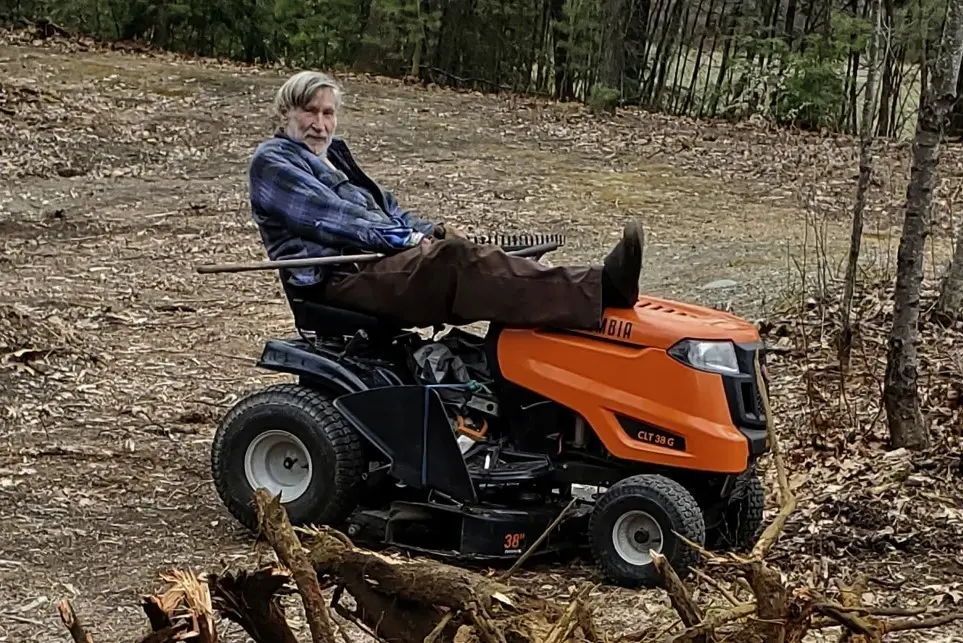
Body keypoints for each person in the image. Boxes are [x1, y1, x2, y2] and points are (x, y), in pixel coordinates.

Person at [247, 70, 644, 331]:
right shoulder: (273, 161)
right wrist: (412, 241)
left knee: (473, 253)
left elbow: (388, 209)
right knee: (452, 259)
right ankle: (602, 289)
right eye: (310, 112)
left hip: (374, 264)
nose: (320, 123)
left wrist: (431, 229)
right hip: (337, 279)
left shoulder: (333, 156)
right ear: (286, 113)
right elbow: (336, 220)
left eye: (328, 113)